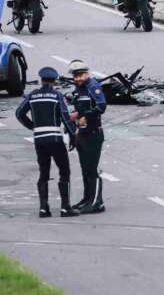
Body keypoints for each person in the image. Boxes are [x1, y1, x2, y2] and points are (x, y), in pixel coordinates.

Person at [15, 67, 78, 218]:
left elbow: (19, 113)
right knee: (64, 171)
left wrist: (32, 126)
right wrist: (73, 135)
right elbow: (65, 117)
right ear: (55, 81)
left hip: (39, 139)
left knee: (44, 173)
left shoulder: (32, 95)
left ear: (41, 80)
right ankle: (65, 207)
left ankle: (43, 208)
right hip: (55, 138)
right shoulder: (57, 95)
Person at [68, 60, 107, 214]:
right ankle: (87, 199)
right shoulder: (78, 90)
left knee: (92, 169)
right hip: (82, 134)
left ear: (87, 73)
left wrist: (86, 116)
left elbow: (101, 106)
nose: (77, 79)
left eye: (80, 75)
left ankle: (98, 202)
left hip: (93, 133)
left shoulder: (93, 87)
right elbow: (78, 109)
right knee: (85, 169)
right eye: (75, 76)